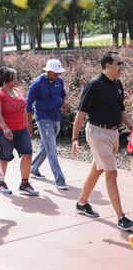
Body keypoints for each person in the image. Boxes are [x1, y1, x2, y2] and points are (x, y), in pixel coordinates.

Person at [71, 51, 133, 231]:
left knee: (97, 169)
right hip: (97, 133)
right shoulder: (94, 85)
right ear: (107, 65)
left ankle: (82, 203)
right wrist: (75, 138)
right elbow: (81, 114)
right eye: (118, 63)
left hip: (112, 134)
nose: (121, 67)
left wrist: (131, 126)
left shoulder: (117, 84)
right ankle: (121, 217)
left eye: (122, 64)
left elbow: (121, 110)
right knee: (111, 173)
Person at [0, 67, 39, 196]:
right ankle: (0, 183)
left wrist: (28, 126)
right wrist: (5, 128)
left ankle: (25, 183)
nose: (16, 80)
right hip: (3, 130)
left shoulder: (18, 91)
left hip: (21, 129)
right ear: (6, 79)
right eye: (14, 78)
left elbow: (23, 109)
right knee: (4, 158)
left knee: (27, 154)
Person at [26, 59, 69, 190]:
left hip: (56, 118)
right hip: (43, 119)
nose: (58, 76)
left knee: (46, 145)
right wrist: (29, 126)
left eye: (59, 73)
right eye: (55, 73)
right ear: (48, 71)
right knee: (52, 148)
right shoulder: (37, 84)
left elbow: (63, 96)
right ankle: (60, 179)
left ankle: (33, 168)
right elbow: (28, 106)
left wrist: (64, 105)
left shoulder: (59, 82)